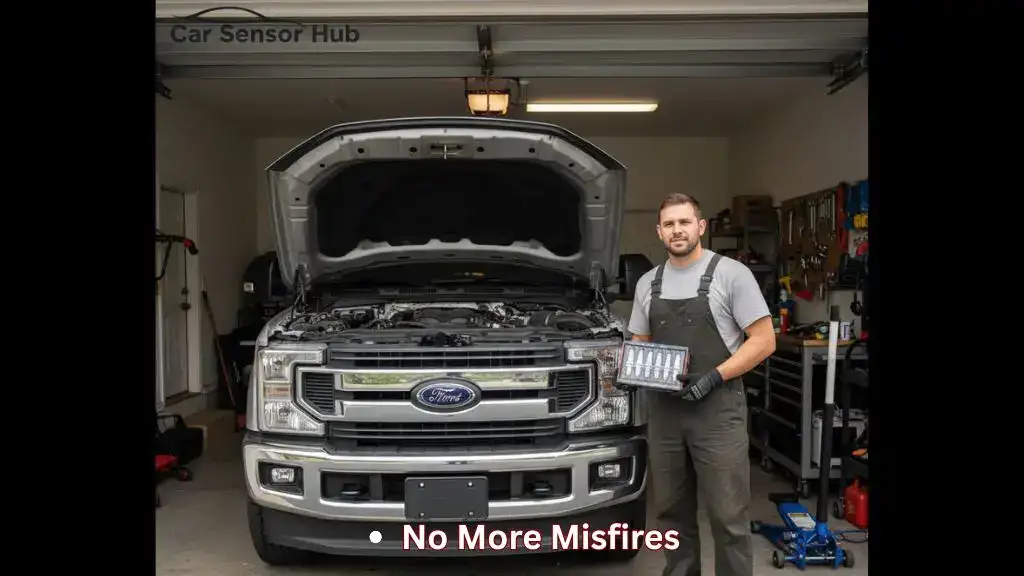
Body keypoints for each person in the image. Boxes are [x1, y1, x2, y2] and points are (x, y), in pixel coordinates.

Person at [627, 193, 776, 576]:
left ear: (701, 227)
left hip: (718, 410)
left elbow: (763, 340)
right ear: (659, 232)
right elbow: (639, 343)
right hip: (665, 413)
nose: (677, 230)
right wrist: (634, 369)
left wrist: (715, 376)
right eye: (669, 224)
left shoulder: (731, 274)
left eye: (684, 222)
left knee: (728, 514)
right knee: (670, 513)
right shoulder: (648, 283)